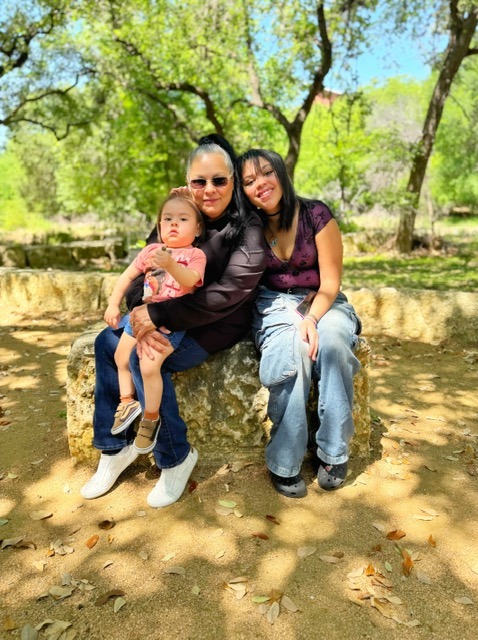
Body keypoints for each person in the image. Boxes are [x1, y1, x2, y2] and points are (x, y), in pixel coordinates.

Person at [80, 134, 266, 507]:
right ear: (188, 181)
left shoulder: (248, 228)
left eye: (219, 180)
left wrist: (157, 316)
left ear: (233, 181)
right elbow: (144, 272)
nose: (209, 189)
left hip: (214, 325)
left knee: (143, 357)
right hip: (165, 315)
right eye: (199, 181)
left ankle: (175, 456)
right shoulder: (178, 214)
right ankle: (115, 447)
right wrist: (141, 311)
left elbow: (227, 294)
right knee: (106, 342)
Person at [237, 148, 362, 498]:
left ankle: (333, 451)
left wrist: (312, 318)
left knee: (333, 343)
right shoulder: (249, 225)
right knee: (292, 349)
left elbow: (331, 282)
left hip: (323, 299)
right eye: (249, 180)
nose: (260, 183)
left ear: (281, 172)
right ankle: (285, 459)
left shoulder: (316, 214)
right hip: (274, 303)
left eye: (266, 173)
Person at [103, 194, 206, 454]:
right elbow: (127, 276)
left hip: (169, 323)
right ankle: (127, 401)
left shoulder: (195, 255)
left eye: (183, 219)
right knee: (120, 355)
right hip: (141, 317)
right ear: (159, 226)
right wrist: (113, 304)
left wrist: (171, 264)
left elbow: (189, 281)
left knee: (148, 366)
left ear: (197, 229)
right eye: (167, 219)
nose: (174, 224)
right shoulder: (150, 251)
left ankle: (151, 418)